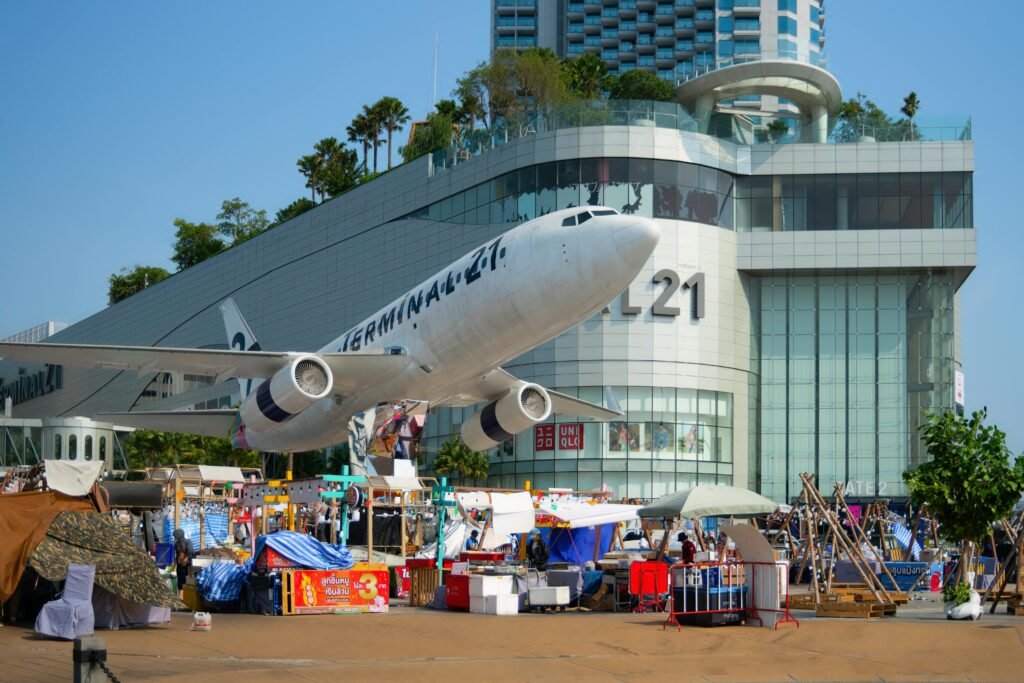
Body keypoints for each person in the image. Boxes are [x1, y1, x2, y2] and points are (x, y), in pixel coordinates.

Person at [173, 528, 195, 599]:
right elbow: (177, 554)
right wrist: (175, 562)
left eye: (175, 536)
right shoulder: (176, 544)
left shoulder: (188, 542)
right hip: (180, 565)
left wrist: (186, 559)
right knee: (180, 580)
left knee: (187, 579)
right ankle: (181, 596)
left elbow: (190, 552)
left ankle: (187, 597)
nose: (175, 538)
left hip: (187, 565)